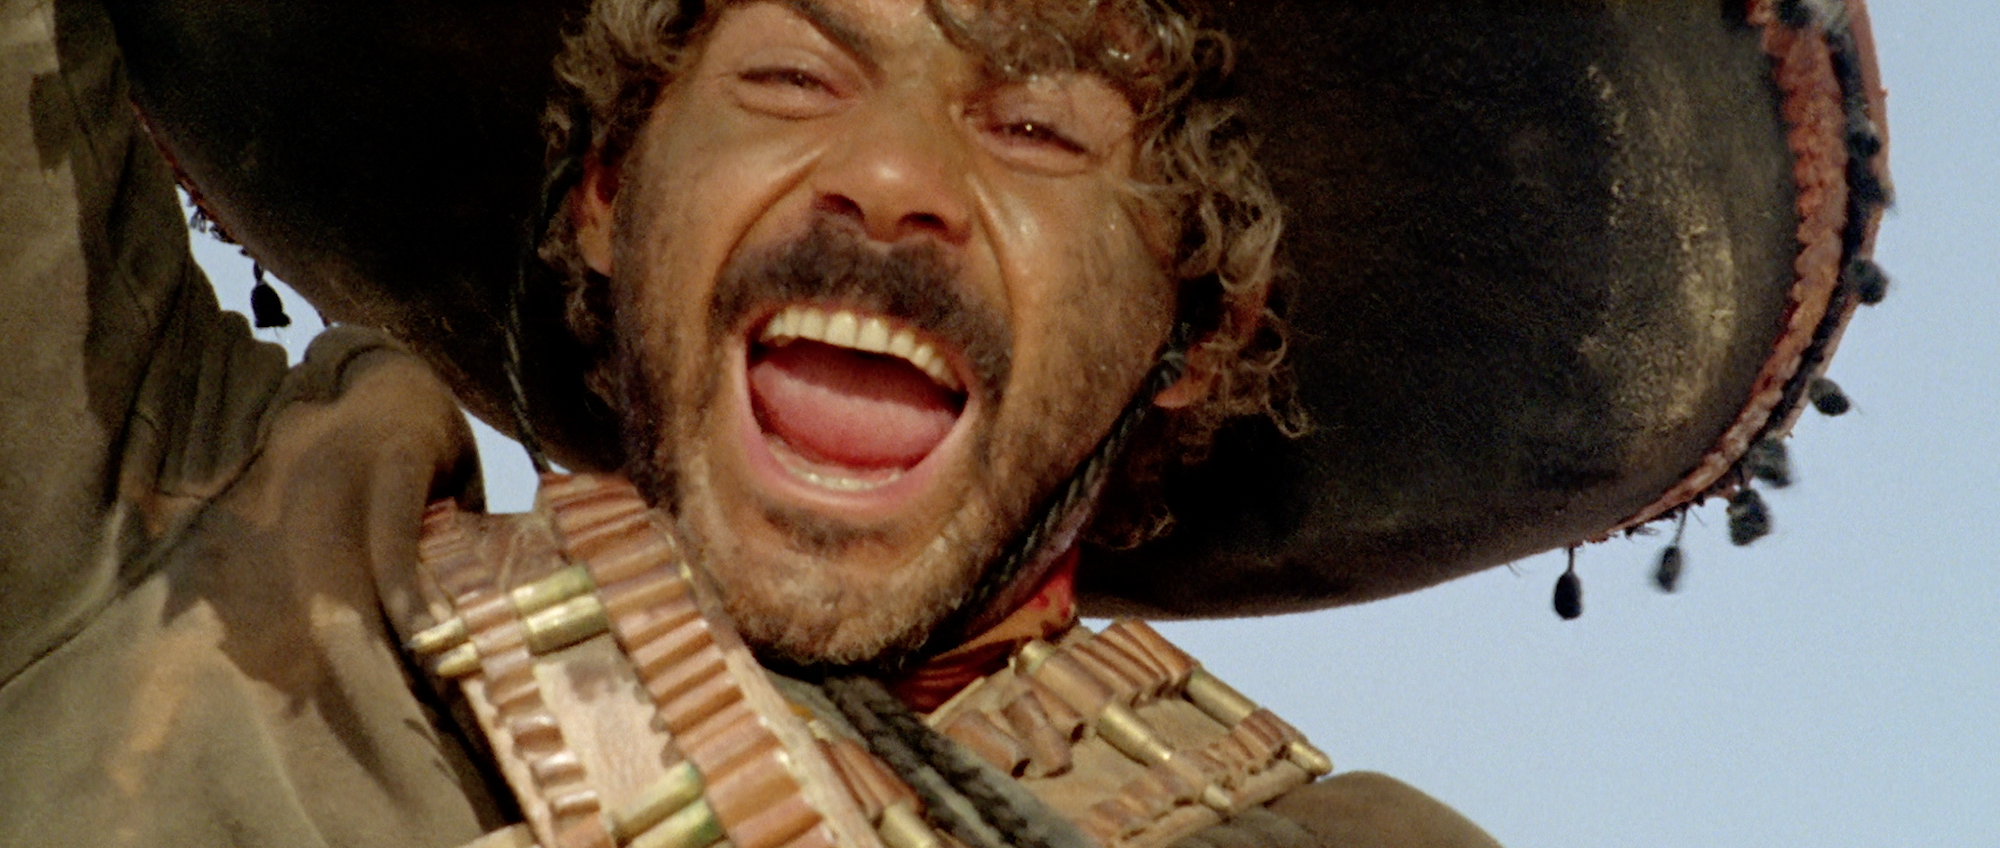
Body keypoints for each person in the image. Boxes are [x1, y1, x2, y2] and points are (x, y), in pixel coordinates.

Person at [0, 0, 1886, 846]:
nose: (890, 175)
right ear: (608, 200)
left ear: (1197, 329)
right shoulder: (186, 521)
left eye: (1038, 125)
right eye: (789, 73)